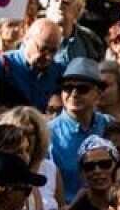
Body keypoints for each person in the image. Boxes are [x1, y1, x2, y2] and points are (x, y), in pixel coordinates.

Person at [48, 58, 113, 202]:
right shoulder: (47, 133)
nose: (74, 93)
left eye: (82, 88)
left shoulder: (110, 124)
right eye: (67, 88)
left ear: (99, 94)